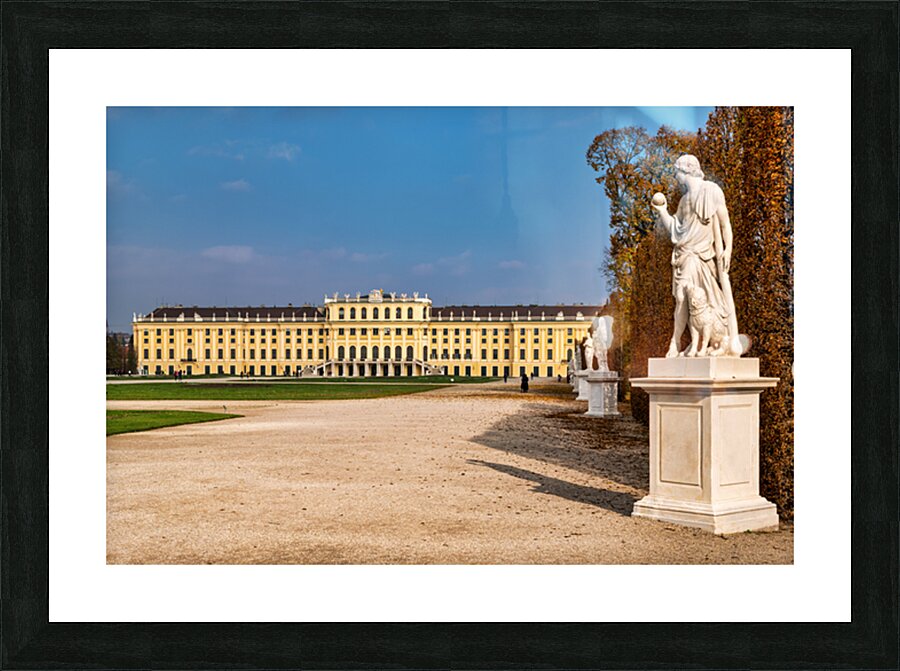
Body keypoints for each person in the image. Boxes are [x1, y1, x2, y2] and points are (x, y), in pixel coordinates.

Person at [651, 154, 740, 357]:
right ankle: (690, 343)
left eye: (677, 171)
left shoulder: (712, 190)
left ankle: (677, 343)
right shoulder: (684, 201)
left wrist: (728, 249)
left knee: (687, 298)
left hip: (701, 256)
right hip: (684, 254)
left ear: (686, 170)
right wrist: (663, 211)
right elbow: (676, 230)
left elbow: (725, 224)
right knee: (686, 300)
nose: (676, 176)